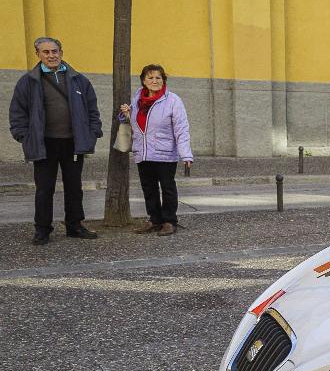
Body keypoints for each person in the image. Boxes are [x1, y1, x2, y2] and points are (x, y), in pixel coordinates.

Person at [8, 37, 102, 245]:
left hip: (73, 143)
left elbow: (92, 109)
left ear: (61, 52)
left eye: (54, 51)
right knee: (44, 189)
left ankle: (75, 226)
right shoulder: (28, 81)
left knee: (74, 187)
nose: (51, 56)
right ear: (38, 54)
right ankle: (42, 230)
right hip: (44, 143)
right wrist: (23, 136)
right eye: (46, 52)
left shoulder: (78, 79)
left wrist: (93, 132)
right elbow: (17, 112)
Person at [118, 64, 193, 236]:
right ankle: (154, 220)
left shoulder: (173, 100)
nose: (154, 81)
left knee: (167, 188)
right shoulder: (137, 100)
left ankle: (169, 221)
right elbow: (132, 124)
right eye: (150, 78)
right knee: (148, 188)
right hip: (143, 152)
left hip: (165, 153)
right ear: (144, 81)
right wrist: (126, 114)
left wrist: (186, 154)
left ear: (164, 80)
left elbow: (181, 129)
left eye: (158, 78)